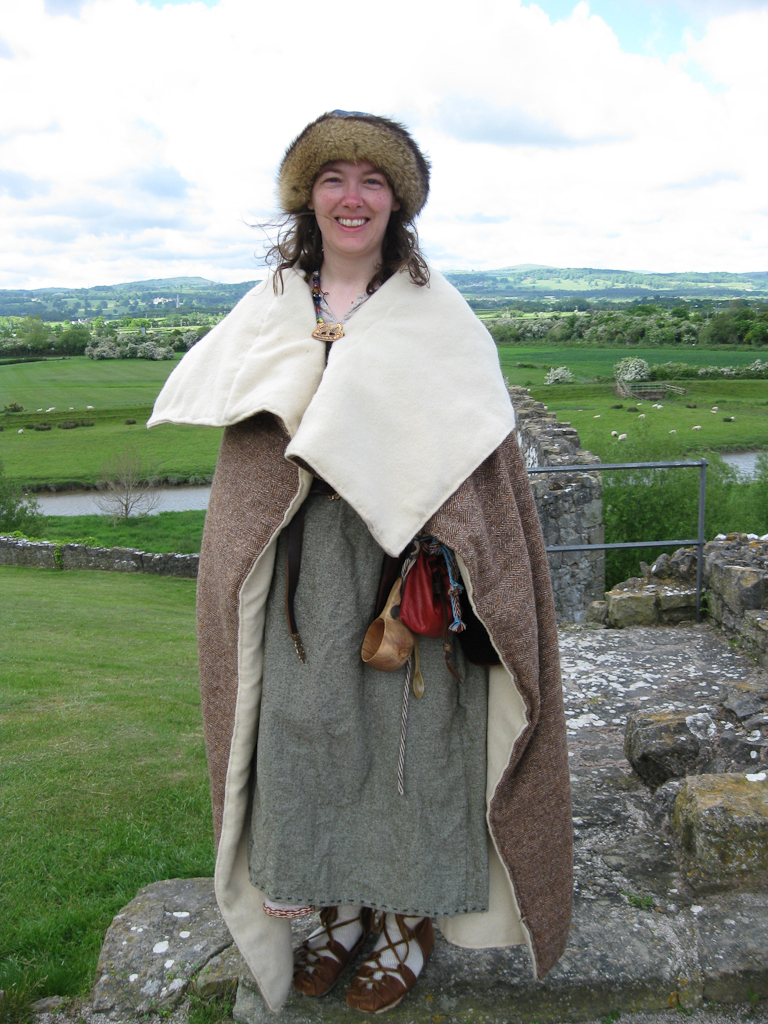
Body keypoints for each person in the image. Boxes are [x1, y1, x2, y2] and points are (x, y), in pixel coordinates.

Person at [149, 110, 572, 1016]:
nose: (353, 196)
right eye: (334, 178)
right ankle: (336, 912)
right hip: (299, 568)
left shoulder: (436, 315)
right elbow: (247, 459)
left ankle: (404, 922)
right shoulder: (272, 304)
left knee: (410, 748)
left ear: (397, 202)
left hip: (406, 572)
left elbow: (477, 457)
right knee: (306, 737)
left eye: (372, 181)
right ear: (309, 197)